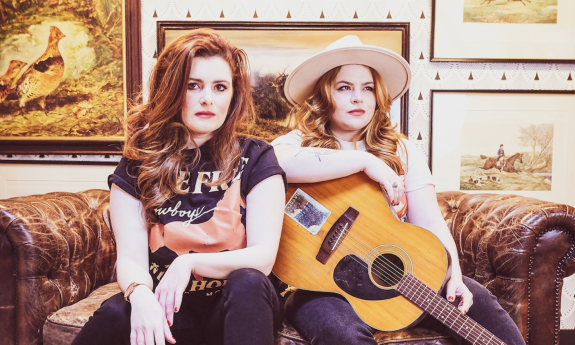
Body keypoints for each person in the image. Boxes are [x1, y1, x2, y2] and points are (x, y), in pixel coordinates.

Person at [271, 35, 525, 345]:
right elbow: (278, 163)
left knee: (483, 305)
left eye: (367, 88)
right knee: (342, 334)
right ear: (324, 96)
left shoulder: (401, 150)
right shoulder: (296, 144)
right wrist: (364, 161)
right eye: (344, 88)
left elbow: (430, 222)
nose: (358, 98)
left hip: (402, 277)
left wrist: (454, 274)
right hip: (322, 286)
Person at [72, 29, 287, 345]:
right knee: (119, 312)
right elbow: (131, 257)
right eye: (193, 86)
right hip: (169, 306)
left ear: (233, 95)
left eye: (220, 87)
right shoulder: (139, 160)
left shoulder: (256, 156)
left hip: (236, 306)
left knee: (249, 283)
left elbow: (262, 257)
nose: (207, 99)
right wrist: (140, 294)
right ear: (172, 91)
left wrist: (190, 261)